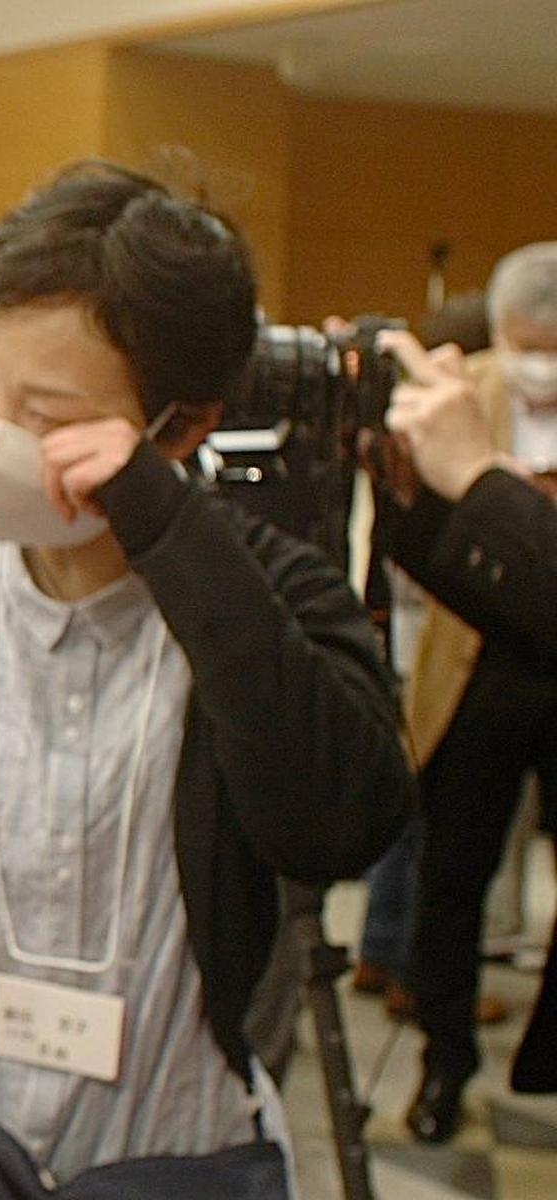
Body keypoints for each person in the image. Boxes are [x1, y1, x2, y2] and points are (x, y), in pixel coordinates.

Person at [0, 163, 410, 1198]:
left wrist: (166, 524)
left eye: (48, 415)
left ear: (182, 425)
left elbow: (339, 824)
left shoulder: (265, 597)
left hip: (153, 1150)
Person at [371, 241, 557, 1143]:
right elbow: (416, 543)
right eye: (527, 348)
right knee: (450, 875)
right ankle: (443, 1059)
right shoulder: (460, 395)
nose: (540, 368)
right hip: (481, 659)